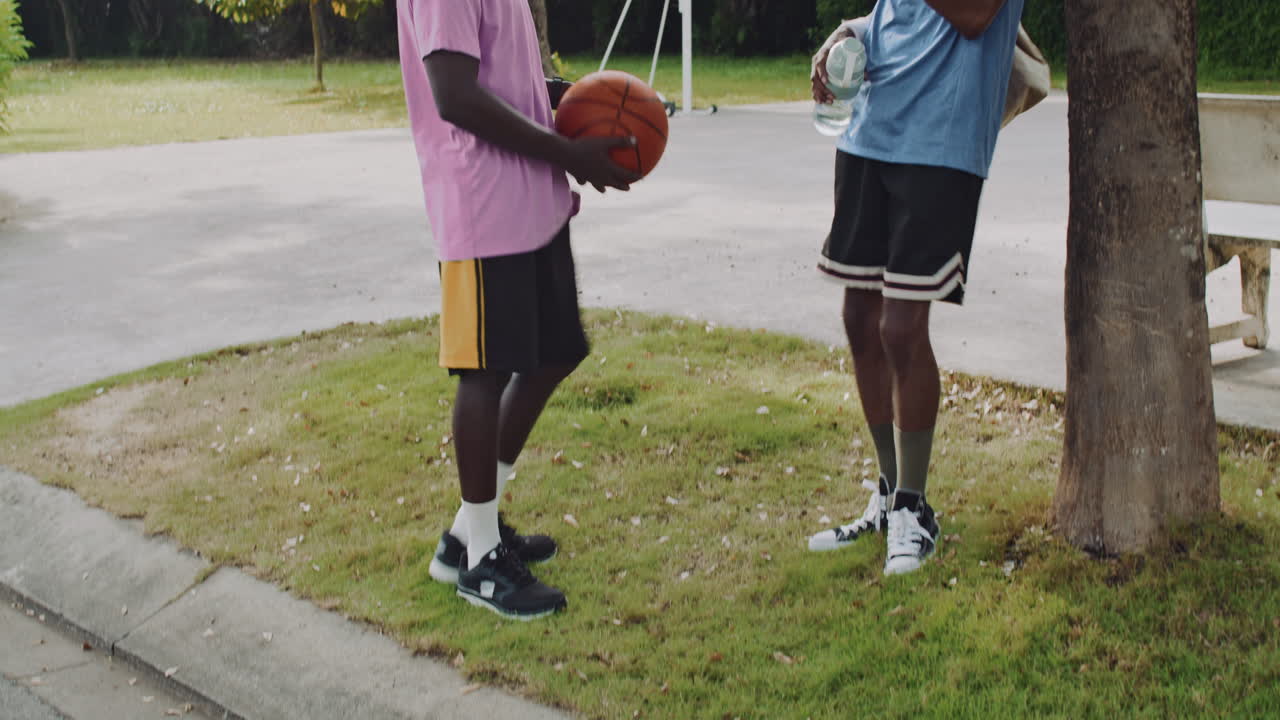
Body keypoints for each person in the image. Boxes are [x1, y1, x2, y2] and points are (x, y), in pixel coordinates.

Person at [397, 0, 639, 619]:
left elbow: (500, 72)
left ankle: (466, 535)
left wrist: (587, 103)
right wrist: (569, 155)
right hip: (483, 204)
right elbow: (453, 94)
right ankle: (480, 565)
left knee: (555, 353)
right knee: (483, 372)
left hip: (532, 195)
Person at [805, 0, 1025, 575]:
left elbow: (976, 17)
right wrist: (847, 32)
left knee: (900, 330)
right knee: (859, 321)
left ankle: (914, 507)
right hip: (868, 130)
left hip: (941, 140)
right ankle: (889, 492)